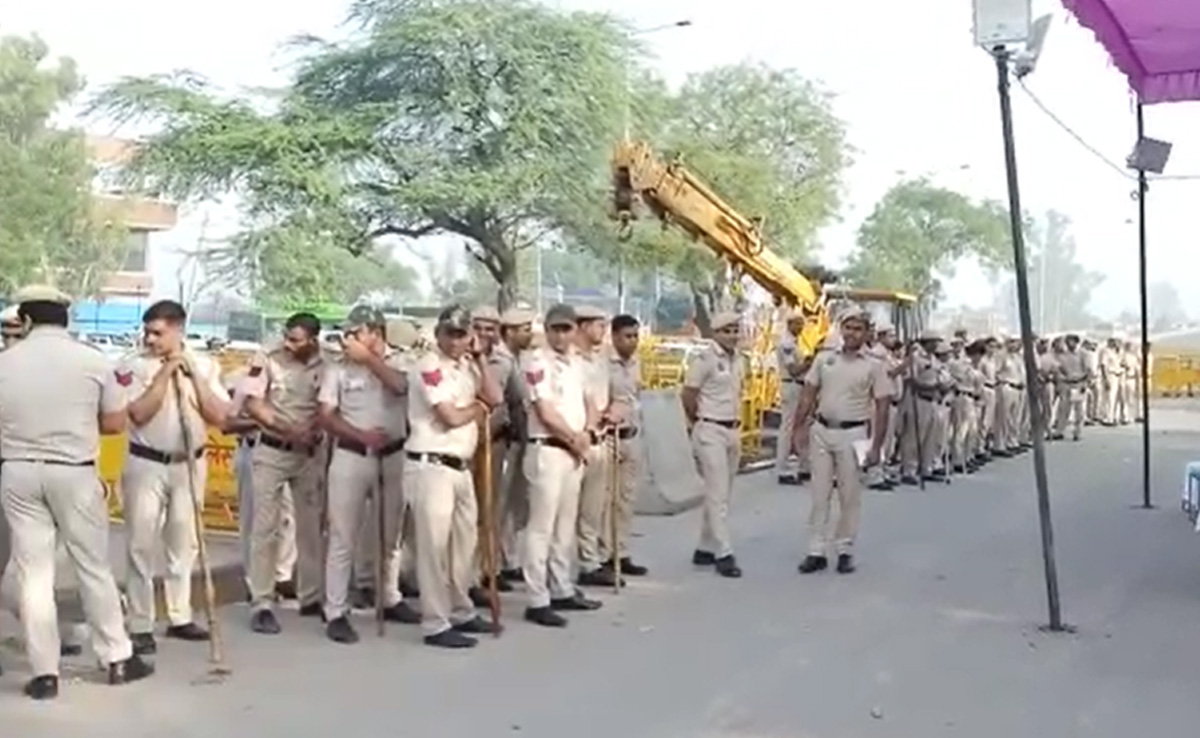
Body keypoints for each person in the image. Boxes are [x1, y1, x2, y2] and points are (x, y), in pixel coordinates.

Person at [0, 285, 153, 699]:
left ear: (26, 320)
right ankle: (117, 657)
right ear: (67, 319)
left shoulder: (5, 363)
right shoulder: (94, 361)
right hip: (74, 471)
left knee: (33, 574)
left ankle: (44, 673)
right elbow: (115, 424)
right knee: (93, 566)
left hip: (18, 471)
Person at [118, 299, 229, 655]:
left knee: (184, 542)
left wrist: (193, 375)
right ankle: (140, 623)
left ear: (178, 330)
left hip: (188, 463)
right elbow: (138, 413)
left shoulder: (206, 364)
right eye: (147, 332)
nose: (150, 339)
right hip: (146, 462)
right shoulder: (133, 365)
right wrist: (165, 373)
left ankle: (180, 616)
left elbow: (219, 416)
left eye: (158, 333)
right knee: (140, 544)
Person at [318, 305, 419, 643]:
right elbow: (326, 415)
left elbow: (401, 387)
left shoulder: (401, 360)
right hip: (352, 455)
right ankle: (336, 610)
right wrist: (360, 435)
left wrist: (370, 361)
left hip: (393, 456)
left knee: (391, 534)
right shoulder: (338, 367)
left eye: (356, 333)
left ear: (376, 333)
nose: (348, 339)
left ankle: (388, 596)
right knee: (342, 536)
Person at [406, 306, 504, 647]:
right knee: (434, 549)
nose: (456, 341)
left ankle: (461, 609)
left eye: (462, 334)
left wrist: (480, 359)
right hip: (431, 464)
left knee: (464, 546)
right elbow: (449, 416)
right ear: (438, 334)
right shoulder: (429, 365)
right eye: (450, 333)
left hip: (461, 466)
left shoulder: (468, 366)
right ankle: (435, 621)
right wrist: (480, 408)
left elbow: (496, 397)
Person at [0, 304, 88, 661]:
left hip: (31, 475)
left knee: (38, 569)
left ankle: (57, 634)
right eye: (5, 335)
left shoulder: (49, 371)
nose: (11, 341)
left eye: (16, 333)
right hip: (13, 474)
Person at [241, 313, 327, 634]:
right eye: (287, 337)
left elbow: (331, 403)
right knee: (265, 528)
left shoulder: (328, 362)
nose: (289, 345)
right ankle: (262, 601)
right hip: (272, 449)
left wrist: (313, 430)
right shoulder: (267, 357)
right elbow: (253, 404)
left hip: (309, 453)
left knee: (311, 527)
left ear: (313, 340)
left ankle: (312, 596)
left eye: (297, 340)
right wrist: (288, 429)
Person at [793, 308, 892, 574]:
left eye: (858, 329)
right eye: (848, 327)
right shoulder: (825, 358)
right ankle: (816, 551)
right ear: (841, 329)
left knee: (849, 496)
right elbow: (808, 394)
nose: (852, 333)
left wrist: (876, 447)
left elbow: (882, 407)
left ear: (867, 333)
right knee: (819, 494)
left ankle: (845, 549)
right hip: (822, 430)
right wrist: (798, 428)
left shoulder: (874, 365)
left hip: (854, 434)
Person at [521, 304, 602, 627]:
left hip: (575, 450)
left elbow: (591, 403)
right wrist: (573, 438)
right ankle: (537, 597)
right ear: (547, 330)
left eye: (566, 329)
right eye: (555, 329)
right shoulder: (537, 361)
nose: (560, 335)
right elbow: (545, 410)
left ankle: (561, 587)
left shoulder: (579, 363)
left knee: (564, 526)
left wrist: (589, 432)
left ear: (574, 330)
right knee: (541, 527)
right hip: (549, 449)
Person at [223, 365, 298, 600]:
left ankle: (282, 576)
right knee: (255, 520)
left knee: (287, 517)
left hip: (286, 451)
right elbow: (228, 424)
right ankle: (253, 580)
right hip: (253, 448)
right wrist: (265, 422)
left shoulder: (293, 375)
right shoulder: (241, 377)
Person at [681, 311, 744, 578]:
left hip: (733, 428)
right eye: (726, 331)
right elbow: (688, 394)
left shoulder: (739, 360)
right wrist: (698, 420)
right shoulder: (705, 360)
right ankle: (723, 551)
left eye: (735, 330)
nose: (732, 336)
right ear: (716, 333)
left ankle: (704, 547)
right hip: (710, 428)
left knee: (722, 493)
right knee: (717, 493)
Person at [574, 305, 620, 588]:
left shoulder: (602, 360)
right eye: (599, 325)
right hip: (577, 440)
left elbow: (612, 395)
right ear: (583, 326)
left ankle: (589, 562)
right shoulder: (570, 361)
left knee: (593, 508)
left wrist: (614, 409)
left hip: (601, 437)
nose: (604, 330)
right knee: (567, 511)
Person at [603, 314, 647, 576]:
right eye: (627, 336)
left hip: (631, 435)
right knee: (606, 501)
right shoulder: (603, 364)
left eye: (635, 336)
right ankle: (603, 554)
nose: (633, 341)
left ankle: (621, 552)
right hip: (610, 437)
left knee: (626, 501)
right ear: (614, 337)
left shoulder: (636, 363)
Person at [495, 308, 535, 584]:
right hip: (505, 439)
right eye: (525, 329)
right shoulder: (501, 360)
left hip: (522, 438)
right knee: (498, 505)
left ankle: (508, 559)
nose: (529, 334)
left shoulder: (522, 359)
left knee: (514, 506)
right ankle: (492, 566)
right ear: (509, 331)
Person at [775, 308, 809, 485]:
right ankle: (783, 468)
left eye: (802, 324)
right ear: (789, 324)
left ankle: (804, 466)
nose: (801, 327)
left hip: (799, 386)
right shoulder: (787, 344)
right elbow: (794, 370)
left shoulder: (795, 343)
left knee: (802, 427)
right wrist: (810, 362)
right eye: (798, 324)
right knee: (788, 428)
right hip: (791, 384)